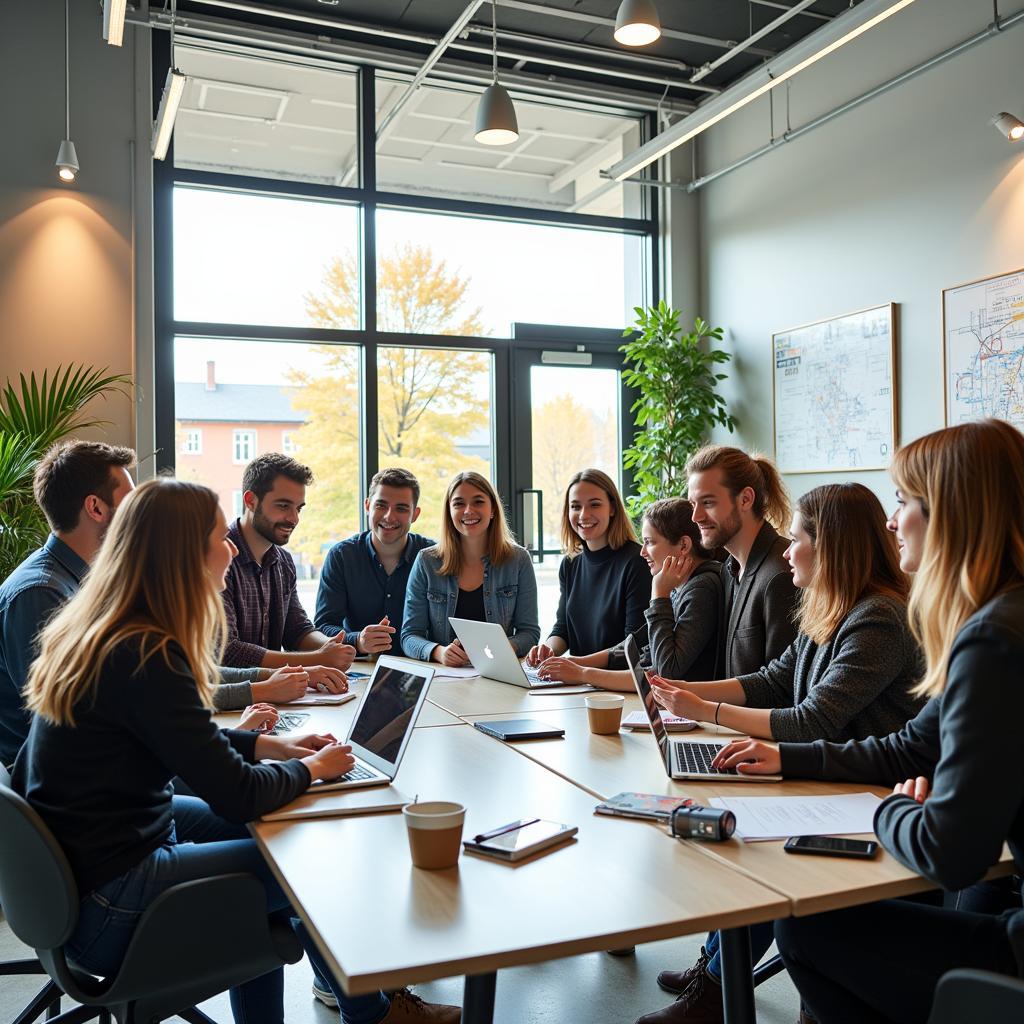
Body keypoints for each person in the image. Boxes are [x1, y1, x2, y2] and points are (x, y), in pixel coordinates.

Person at [13, 476, 461, 1024]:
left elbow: (183, 740)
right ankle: (376, 1015)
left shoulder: (110, 629)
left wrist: (274, 745)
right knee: (308, 865)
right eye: (213, 535)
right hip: (114, 904)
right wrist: (313, 768)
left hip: (88, 872)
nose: (227, 546)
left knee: (279, 842)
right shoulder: (147, 652)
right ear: (180, 554)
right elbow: (237, 793)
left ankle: (370, 1011)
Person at [710, 420, 1024, 1024]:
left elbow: (950, 852)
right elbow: (911, 746)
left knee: (806, 928)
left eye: (903, 502)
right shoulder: (1002, 619)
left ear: (952, 515)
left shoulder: (992, 640)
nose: (890, 519)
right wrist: (790, 758)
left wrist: (887, 809)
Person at [640, 483, 925, 1024]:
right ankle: (716, 976)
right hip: (832, 782)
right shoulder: (829, 607)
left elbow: (811, 719)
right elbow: (772, 681)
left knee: (761, 845)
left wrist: (706, 711)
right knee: (745, 830)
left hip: (867, 792)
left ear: (831, 547)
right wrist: (692, 696)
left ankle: (717, 989)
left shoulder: (879, 617)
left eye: (795, 540)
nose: (787, 551)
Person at [0, 440, 135, 768]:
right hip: (59, 791)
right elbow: (59, 722)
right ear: (96, 508)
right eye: (130, 503)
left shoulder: (86, 581)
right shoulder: (40, 594)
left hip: (100, 762)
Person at [529, 497, 723, 691]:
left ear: (683, 546)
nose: (643, 552)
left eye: (649, 542)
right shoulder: (683, 586)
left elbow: (665, 672)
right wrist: (577, 663)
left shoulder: (701, 589)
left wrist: (659, 595)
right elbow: (639, 649)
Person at [221, 453, 354, 685]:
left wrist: (330, 647)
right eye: (283, 506)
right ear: (250, 500)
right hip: (229, 702)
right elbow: (227, 652)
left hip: (274, 699)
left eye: (299, 508)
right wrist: (316, 659)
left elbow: (296, 630)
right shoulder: (218, 558)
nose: (293, 518)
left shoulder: (283, 561)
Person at [401, 472, 539, 665]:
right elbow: (409, 636)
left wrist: (503, 648)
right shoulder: (427, 561)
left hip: (498, 672)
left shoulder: (518, 560)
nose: (468, 511)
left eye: (478, 502)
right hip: (445, 676)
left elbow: (530, 633)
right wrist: (439, 652)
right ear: (449, 512)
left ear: (492, 510)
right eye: (458, 503)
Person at [685, 444, 798, 679]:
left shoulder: (782, 575)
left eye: (708, 503)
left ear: (745, 499)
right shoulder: (729, 569)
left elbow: (781, 690)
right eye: (693, 504)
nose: (696, 517)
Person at [526, 469, 649, 666]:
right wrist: (547, 650)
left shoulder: (637, 561)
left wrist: (576, 666)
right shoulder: (570, 563)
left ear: (612, 508)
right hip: (579, 682)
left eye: (594, 505)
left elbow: (633, 646)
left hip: (617, 686)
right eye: (575, 506)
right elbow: (563, 628)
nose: (584, 514)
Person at [315, 468, 434, 656]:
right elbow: (322, 627)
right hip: (359, 670)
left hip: (423, 669)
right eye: (381, 505)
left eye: (401, 508)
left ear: (415, 514)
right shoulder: (341, 556)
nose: (389, 516)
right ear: (367, 506)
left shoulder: (433, 557)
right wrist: (357, 640)